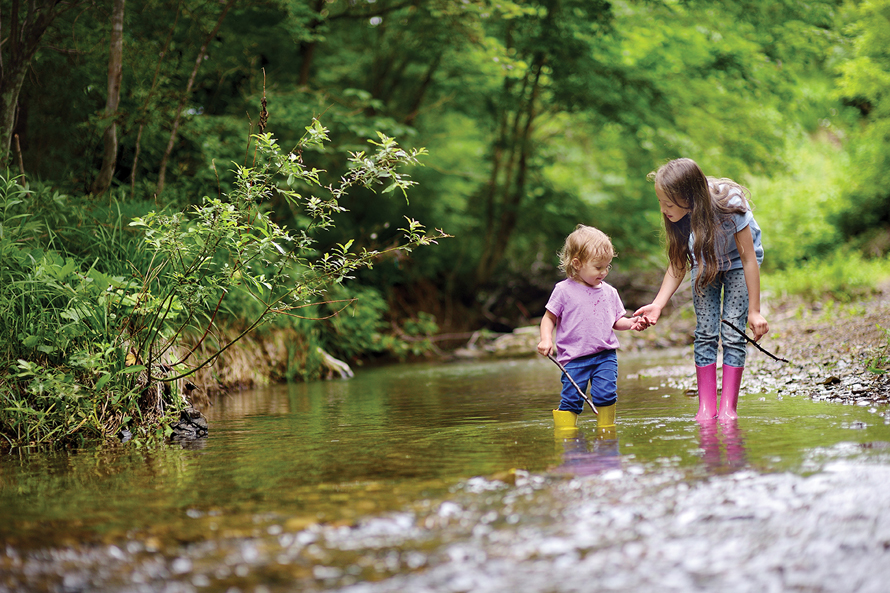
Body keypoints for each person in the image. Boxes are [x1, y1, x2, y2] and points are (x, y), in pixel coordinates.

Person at [634, 158, 769, 422]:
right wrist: (658, 304)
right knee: (705, 332)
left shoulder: (729, 204)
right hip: (705, 262)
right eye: (660, 202)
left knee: (732, 331)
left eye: (668, 204)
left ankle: (728, 408)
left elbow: (749, 258)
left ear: (690, 197)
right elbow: (677, 264)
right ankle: (706, 408)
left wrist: (754, 311)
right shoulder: (678, 217)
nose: (663, 210)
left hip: (738, 264)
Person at [537, 225, 647, 432]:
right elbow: (548, 318)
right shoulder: (563, 291)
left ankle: (607, 431)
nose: (604, 272)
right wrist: (546, 339)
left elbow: (616, 321)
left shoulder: (610, 292)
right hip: (573, 358)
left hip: (605, 355)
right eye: (598, 267)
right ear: (577, 264)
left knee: (606, 394)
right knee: (571, 399)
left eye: (608, 266)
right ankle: (566, 439)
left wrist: (632, 323)